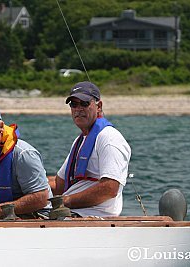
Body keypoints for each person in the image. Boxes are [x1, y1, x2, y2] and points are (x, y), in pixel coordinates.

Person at [52, 81, 131, 217]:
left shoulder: (109, 139)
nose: (78, 109)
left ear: (98, 106)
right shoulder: (80, 141)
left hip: (92, 217)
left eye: (84, 104)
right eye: (74, 104)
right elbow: (59, 184)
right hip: (71, 213)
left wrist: (66, 201)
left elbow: (110, 188)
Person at [0, 104, 52, 220]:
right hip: (0, 217)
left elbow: (42, 198)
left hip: (37, 217)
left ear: (1, 127)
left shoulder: (23, 154)